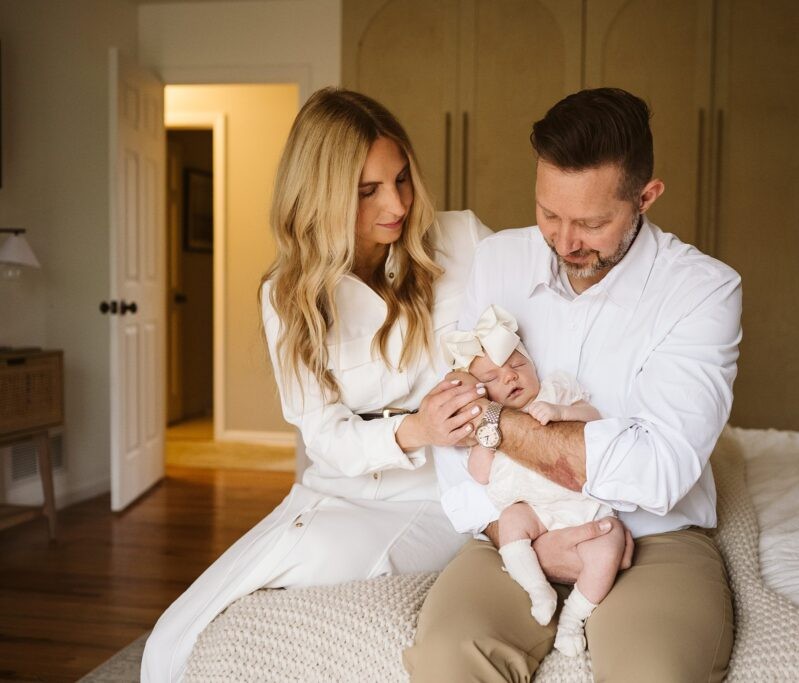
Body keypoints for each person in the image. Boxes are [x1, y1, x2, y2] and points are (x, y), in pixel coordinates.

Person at [141, 88, 490, 682]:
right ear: (321, 196)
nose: (397, 203)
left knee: (322, 555)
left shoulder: (464, 242)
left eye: (401, 179)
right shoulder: (287, 295)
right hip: (337, 487)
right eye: (368, 190)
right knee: (174, 634)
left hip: (441, 492)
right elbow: (324, 435)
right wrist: (415, 429)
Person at [405, 88, 741, 681]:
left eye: (591, 223)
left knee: (655, 674)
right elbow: (451, 420)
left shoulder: (703, 290)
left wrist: (494, 424)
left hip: (649, 538)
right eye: (549, 215)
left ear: (646, 197)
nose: (564, 242)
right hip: (513, 527)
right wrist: (514, 536)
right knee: (446, 660)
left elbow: (659, 471)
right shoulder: (498, 262)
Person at [440, 304, 626, 656]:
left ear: (533, 365)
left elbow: (594, 418)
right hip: (534, 511)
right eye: (492, 378)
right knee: (511, 520)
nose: (509, 377)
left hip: (581, 506)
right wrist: (489, 427)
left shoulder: (555, 392)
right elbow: (479, 473)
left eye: (517, 365)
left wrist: (562, 412)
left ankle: (573, 618)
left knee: (610, 542)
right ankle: (537, 588)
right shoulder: (489, 425)